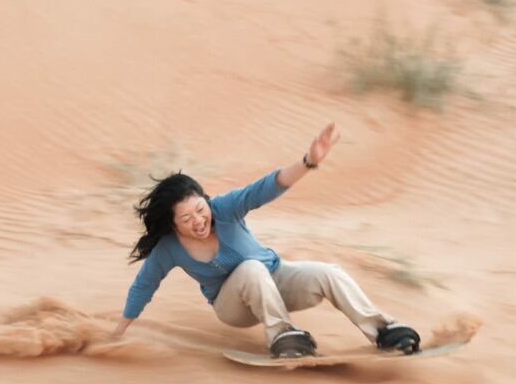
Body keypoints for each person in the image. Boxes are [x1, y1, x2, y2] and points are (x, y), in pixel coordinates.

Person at [111, 123, 421, 358]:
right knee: (249, 270)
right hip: (234, 306)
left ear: (207, 202)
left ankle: (383, 330)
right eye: (186, 218)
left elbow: (267, 187)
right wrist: (118, 332)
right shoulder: (169, 247)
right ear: (172, 224)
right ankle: (282, 336)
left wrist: (308, 162)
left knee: (330, 272)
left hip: (275, 281)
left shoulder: (225, 209)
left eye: (200, 209)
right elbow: (144, 285)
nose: (198, 220)